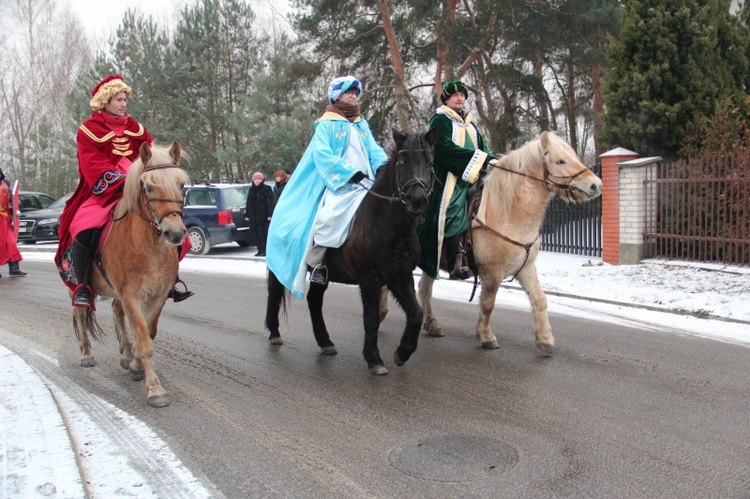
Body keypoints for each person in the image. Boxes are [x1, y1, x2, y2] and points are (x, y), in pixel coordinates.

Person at [55, 74, 193, 308]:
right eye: (118, 99)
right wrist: (124, 178)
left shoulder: (137, 129)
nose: (123, 104)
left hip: (140, 190)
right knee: (83, 229)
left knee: (172, 225)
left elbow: (151, 159)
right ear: (105, 102)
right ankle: (84, 287)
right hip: (103, 193)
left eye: (124, 100)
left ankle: (169, 280)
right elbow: (92, 164)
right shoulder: (88, 130)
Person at [266, 75, 387, 297]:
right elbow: (323, 155)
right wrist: (350, 174)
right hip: (340, 185)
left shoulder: (361, 123)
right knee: (328, 217)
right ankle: (319, 262)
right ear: (336, 95)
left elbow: (374, 149)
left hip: (367, 183)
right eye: (349, 91)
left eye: (355, 92)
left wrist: (382, 166)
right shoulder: (326, 124)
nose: (353, 95)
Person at [417, 80, 494, 281]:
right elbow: (442, 149)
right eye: (455, 95)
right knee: (452, 209)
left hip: (473, 175)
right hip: (448, 178)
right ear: (447, 99)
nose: (460, 98)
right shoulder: (440, 121)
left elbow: (482, 147)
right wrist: (478, 159)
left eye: (462, 95)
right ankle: (455, 262)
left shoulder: (469, 123)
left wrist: (492, 159)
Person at [0, 168, 27, 277]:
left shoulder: (5, 185)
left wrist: (12, 208)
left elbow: (12, 201)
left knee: (11, 244)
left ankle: (14, 269)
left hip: (5, 220)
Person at [245, 171, 274, 257]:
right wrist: (247, 214)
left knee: (263, 233)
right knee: (256, 233)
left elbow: (270, 203)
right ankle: (259, 250)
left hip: (263, 216)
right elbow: (248, 203)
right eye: (255, 179)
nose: (257, 181)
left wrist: (270, 215)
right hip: (254, 216)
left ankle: (265, 250)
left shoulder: (267, 189)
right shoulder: (251, 189)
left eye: (259, 179)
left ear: (262, 180)